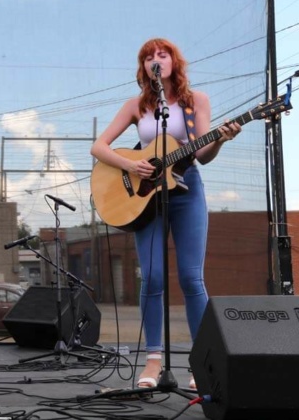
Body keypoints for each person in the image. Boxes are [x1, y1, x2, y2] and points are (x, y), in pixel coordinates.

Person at [90, 38, 240, 390]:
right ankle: (153, 360)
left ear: (175, 61)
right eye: (148, 57)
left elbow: (201, 154)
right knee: (153, 278)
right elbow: (98, 146)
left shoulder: (196, 101)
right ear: (143, 67)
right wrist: (131, 165)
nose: (155, 60)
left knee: (191, 278)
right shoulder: (136, 106)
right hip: (147, 196)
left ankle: (203, 361)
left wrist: (220, 139)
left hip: (188, 191)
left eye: (162, 54)